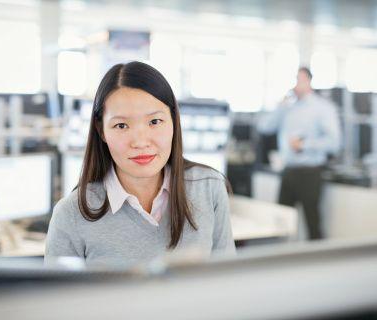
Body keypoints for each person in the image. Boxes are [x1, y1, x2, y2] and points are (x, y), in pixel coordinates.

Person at [45, 61, 235, 267]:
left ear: (173, 121)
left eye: (154, 122)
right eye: (121, 125)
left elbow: (226, 285)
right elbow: (60, 298)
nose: (141, 142)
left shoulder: (208, 187)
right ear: (102, 131)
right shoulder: (71, 214)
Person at [258, 67, 341, 240]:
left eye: (299, 79)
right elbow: (264, 127)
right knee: (281, 222)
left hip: (310, 172)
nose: (295, 83)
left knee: (313, 223)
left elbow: (334, 143)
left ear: (309, 80)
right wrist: (280, 106)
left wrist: (304, 145)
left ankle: (319, 263)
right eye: (294, 79)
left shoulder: (322, 108)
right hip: (289, 170)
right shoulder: (288, 108)